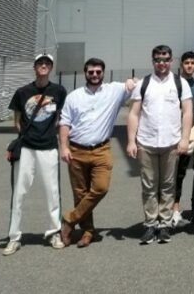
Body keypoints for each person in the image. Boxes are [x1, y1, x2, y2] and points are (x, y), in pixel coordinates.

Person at [58, 58, 137, 248]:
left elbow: (140, 86)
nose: (95, 75)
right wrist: (63, 146)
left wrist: (132, 81)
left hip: (102, 149)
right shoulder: (74, 96)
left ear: (103, 73)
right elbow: (64, 123)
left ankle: (69, 220)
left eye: (98, 72)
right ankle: (88, 232)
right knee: (80, 193)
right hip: (76, 150)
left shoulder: (114, 90)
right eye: (91, 72)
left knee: (101, 188)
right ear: (85, 73)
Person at [126, 44, 193, 244]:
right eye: (158, 60)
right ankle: (150, 224)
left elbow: (188, 112)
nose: (162, 63)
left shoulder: (180, 83)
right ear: (153, 61)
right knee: (148, 185)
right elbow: (133, 113)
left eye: (165, 59)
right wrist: (131, 141)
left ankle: (164, 224)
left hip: (171, 143)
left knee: (167, 185)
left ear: (171, 61)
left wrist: (184, 138)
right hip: (146, 142)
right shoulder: (144, 84)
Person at [2, 53, 67, 256]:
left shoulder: (59, 91)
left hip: (49, 147)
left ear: (51, 67)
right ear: (35, 67)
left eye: (47, 63)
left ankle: (54, 232)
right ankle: (14, 237)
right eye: (40, 63)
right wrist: (26, 136)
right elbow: (17, 120)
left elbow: (61, 118)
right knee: (19, 193)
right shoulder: (23, 92)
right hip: (27, 148)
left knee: (52, 192)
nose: (44, 66)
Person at [173, 51, 194, 226]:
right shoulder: (174, 83)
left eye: (192, 63)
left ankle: (189, 208)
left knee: (190, 171)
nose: (189, 66)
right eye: (186, 63)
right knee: (174, 173)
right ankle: (172, 209)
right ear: (181, 65)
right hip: (174, 132)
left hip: (193, 133)